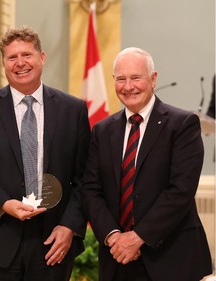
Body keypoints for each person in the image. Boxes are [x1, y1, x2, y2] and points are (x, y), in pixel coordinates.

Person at [0, 26, 91, 281]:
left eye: (26, 54)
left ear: (42, 57)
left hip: (53, 242)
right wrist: (3, 204)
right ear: (3, 63)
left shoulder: (74, 110)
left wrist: (69, 226)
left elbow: (85, 177)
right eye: (12, 57)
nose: (20, 63)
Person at [81, 47, 212, 281]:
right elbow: (91, 189)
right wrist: (114, 238)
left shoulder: (182, 124)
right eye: (121, 79)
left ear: (153, 79)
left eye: (136, 78)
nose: (128, 86)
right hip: (117, 258)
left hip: (171, 258)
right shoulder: (102, 130)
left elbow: (180, 191)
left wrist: (137, 237)